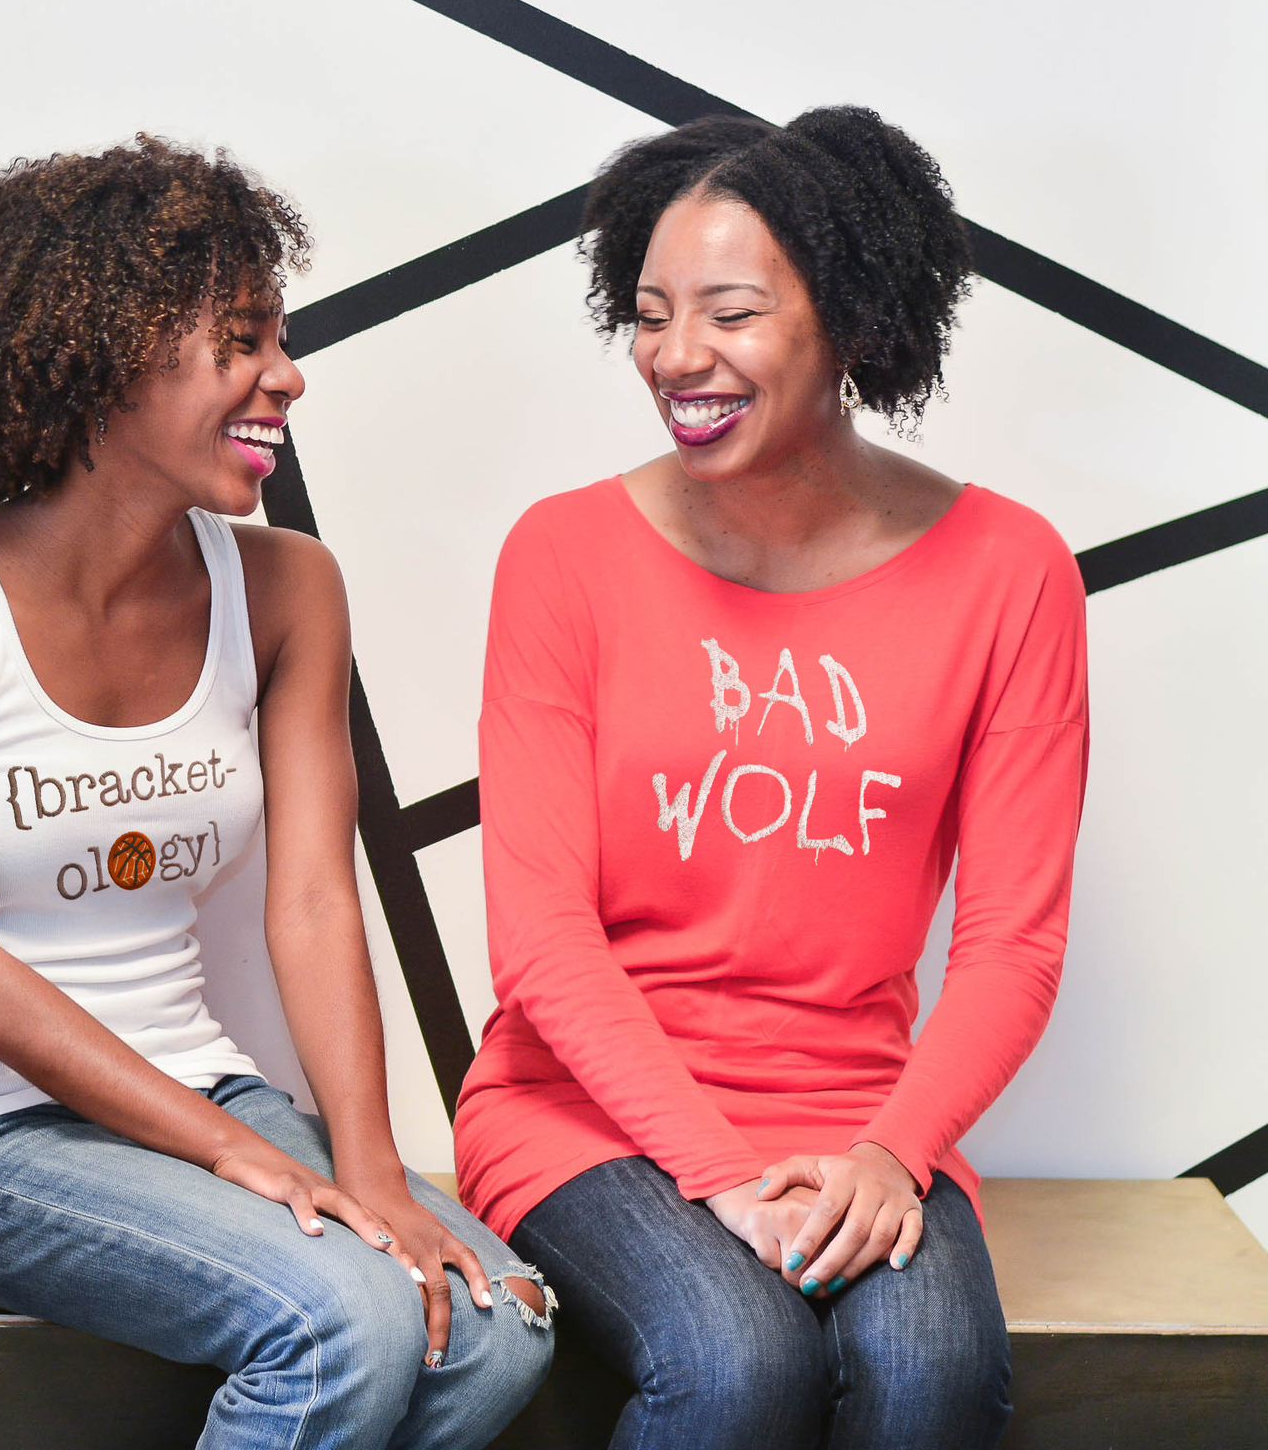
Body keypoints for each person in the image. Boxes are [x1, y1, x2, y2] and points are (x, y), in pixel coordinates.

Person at [0, 136, 555, 1450]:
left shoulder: (286, 588)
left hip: (206, 1085)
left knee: (497, 1323)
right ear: (101, 357)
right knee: (347, 1317)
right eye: (241, 340)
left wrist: (370, 1166)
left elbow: (320, 903)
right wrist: (241, 1159)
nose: (288, 376)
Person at [454, 106, 1086, 1450]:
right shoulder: (562, 557)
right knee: (736, 1363)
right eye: (650, 312)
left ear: (849, 323)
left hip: (859, 1108)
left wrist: (892, 1149)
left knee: (930, 1382)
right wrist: (721, 1178)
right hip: (585, 1113)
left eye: (730, 313)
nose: (677, 357)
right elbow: (542, 946)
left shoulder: (1009, 572)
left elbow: (1012, 947)